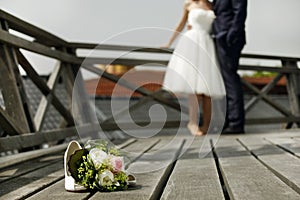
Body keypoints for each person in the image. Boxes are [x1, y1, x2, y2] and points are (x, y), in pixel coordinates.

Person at [162, 0, 226, 136]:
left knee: (207, 90)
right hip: (192, 43)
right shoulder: (188, 4)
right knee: (194, 88)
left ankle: (207, 125)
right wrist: (169, 42)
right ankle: (193, 122)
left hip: (208, 44)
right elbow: (181, 24)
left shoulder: (212, 5)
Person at [212, 0, 247, 133]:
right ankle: (226, 120)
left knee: (230, 80)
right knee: (224, 81)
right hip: (220, 36)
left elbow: (240, 11)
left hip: (229, 38)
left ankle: (236, 123)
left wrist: (231, 34)